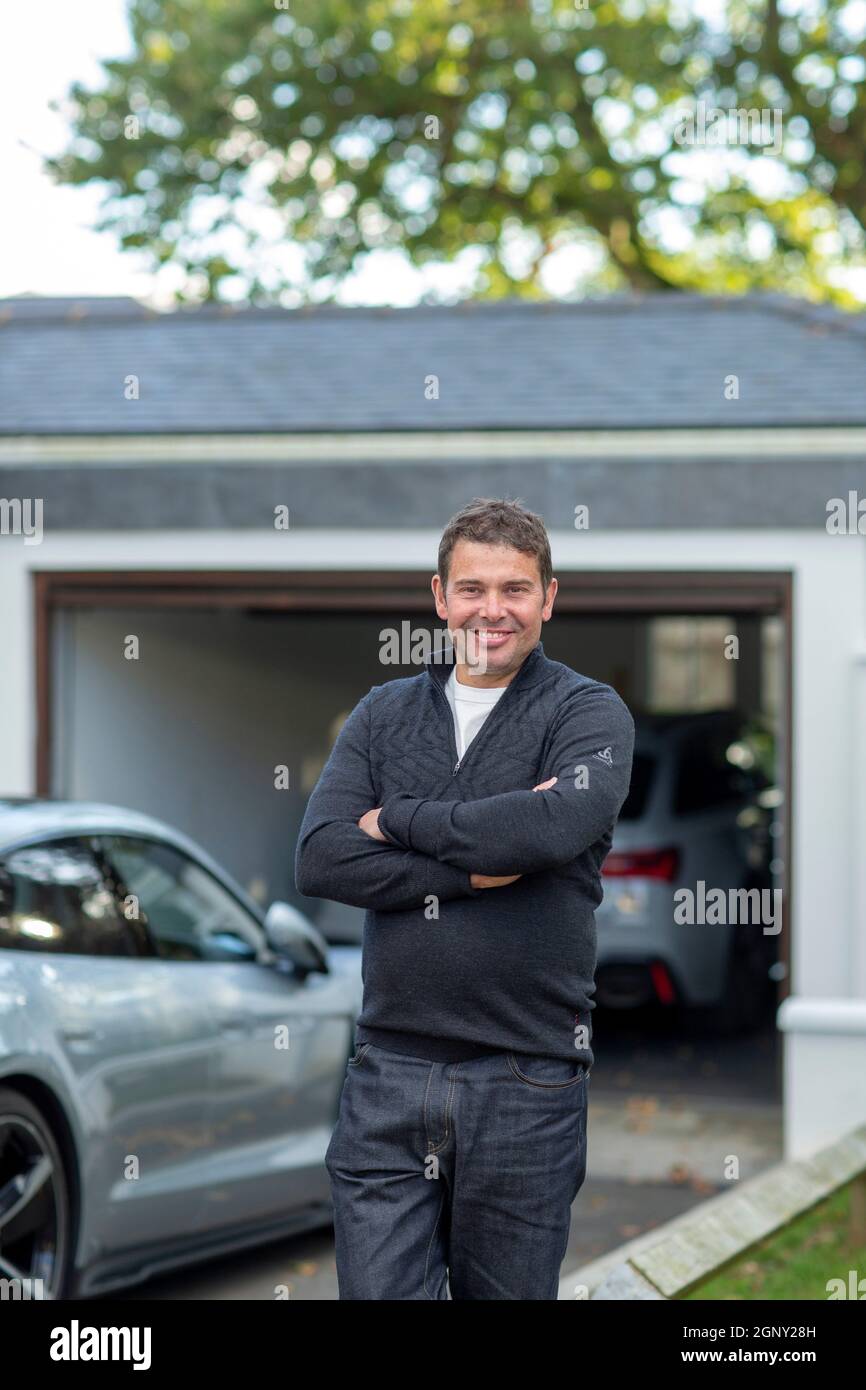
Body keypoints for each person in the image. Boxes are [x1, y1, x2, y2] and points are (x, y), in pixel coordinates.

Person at [295, 497, 635, 1299]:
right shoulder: (384, 716)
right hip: (389, 1071)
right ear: (440, 597)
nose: (494, 610)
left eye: (516, 589)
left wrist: (397, 820)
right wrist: (465, 870)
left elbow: (549, 829)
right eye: (473, 588)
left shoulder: (587, 712)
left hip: (527, 1079)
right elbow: (321, 858)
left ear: (549, 598)